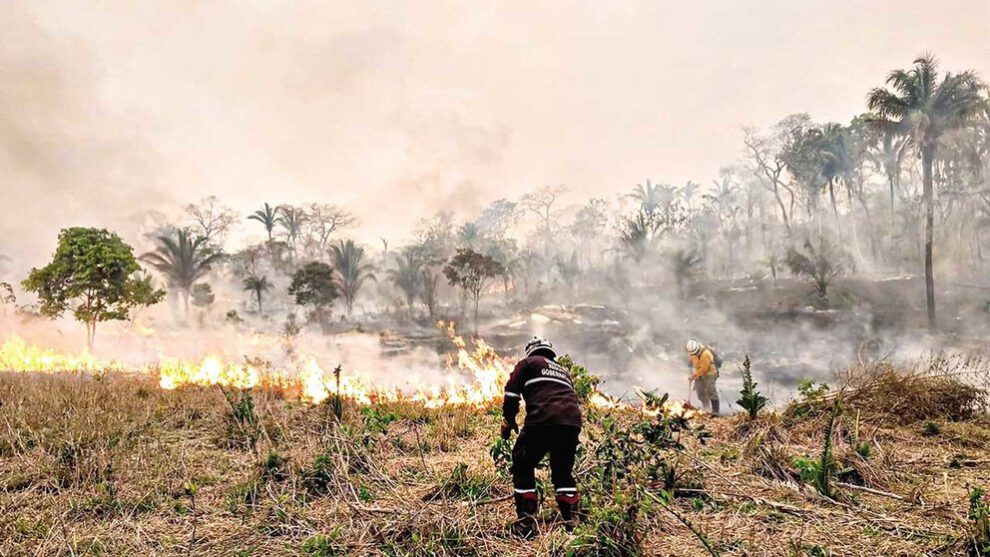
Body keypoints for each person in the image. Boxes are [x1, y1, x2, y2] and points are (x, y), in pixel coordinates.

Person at [501, 336, 583, 537]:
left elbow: (511, 394)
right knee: (562, 471)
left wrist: (508, 421)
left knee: (522, 462)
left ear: (531, 351)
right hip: (571, 423)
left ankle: (526, 524)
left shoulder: (528, 363)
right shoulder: (563, 371)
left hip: (543, 420)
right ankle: (573, 523)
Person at [685, 338, 720, 415]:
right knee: (700, 392)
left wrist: (693, 376)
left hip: (709, 373)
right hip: (698, 373)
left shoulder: (705, 354)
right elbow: (692, 358)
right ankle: (706, 408)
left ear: (698, 349)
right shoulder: (692, 352)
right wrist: (690, 363)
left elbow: (704, 369)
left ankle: (715, 411)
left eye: (695, 353)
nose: (694, 354)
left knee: (710, 391)